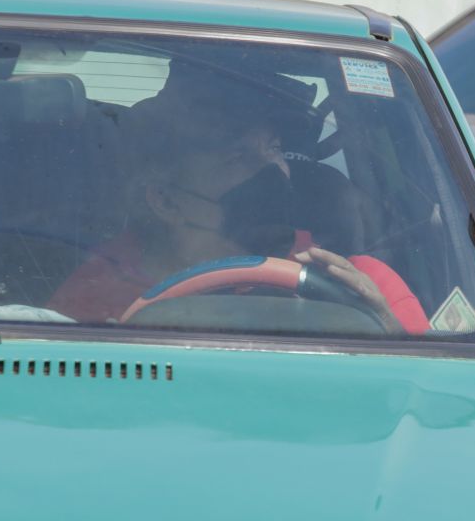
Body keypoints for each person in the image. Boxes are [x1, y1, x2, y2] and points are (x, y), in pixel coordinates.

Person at [50, 78, 428, 332]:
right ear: (165, 200)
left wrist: (381, 326)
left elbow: (421, 401)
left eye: (274, 149)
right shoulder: (97, 294)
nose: (270, 170)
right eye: (236, 157)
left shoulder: (362, 284)